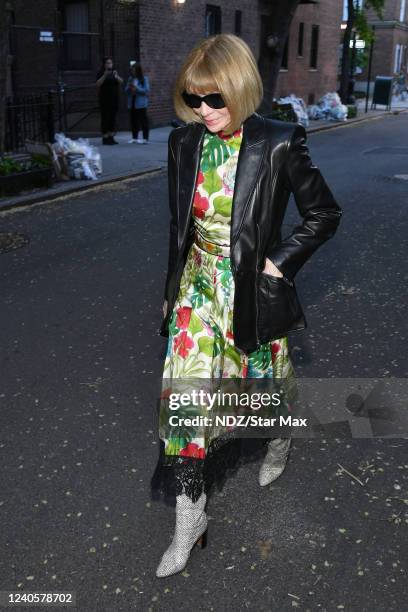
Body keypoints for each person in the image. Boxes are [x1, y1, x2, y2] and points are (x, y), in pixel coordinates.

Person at [151, 33, 342, 578]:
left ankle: (277, 438)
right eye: (193, 99)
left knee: (264, 386)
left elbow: (324, 214)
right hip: (196, 292)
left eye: (215, 99)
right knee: (186, 407)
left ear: (240, 88)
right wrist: (172, 293)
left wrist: (278, 263)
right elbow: (178, 226)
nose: (203, 111)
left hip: (251, 293)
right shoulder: (182, 143)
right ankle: (190, 522)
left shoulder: (281, 141)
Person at [96, 57, 123, 145]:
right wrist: (104, 75)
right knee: (105, 119)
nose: (109, 64)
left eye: (111, 63)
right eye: (107, 63)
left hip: (114, 99)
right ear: (104, 64)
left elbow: (121, 82)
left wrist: (116, 76)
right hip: (104, 100)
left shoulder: (114, 72)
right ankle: (105, 138)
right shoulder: (101, 73)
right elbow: (98, 84)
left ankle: (111, 137)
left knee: (112, 118)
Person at [125, 62, 150, 144]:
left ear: (138, 71)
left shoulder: (144, 79)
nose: (133, 72)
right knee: (133, 121)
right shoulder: (130, 79)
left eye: (134, 70)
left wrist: (137, 88)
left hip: (141, 103)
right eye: (132, 70)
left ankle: (145, 139)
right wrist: (129, 87)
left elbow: (146, 90)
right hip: (132, 102)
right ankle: (134, 138)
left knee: (143, 121)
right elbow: (125, 91)